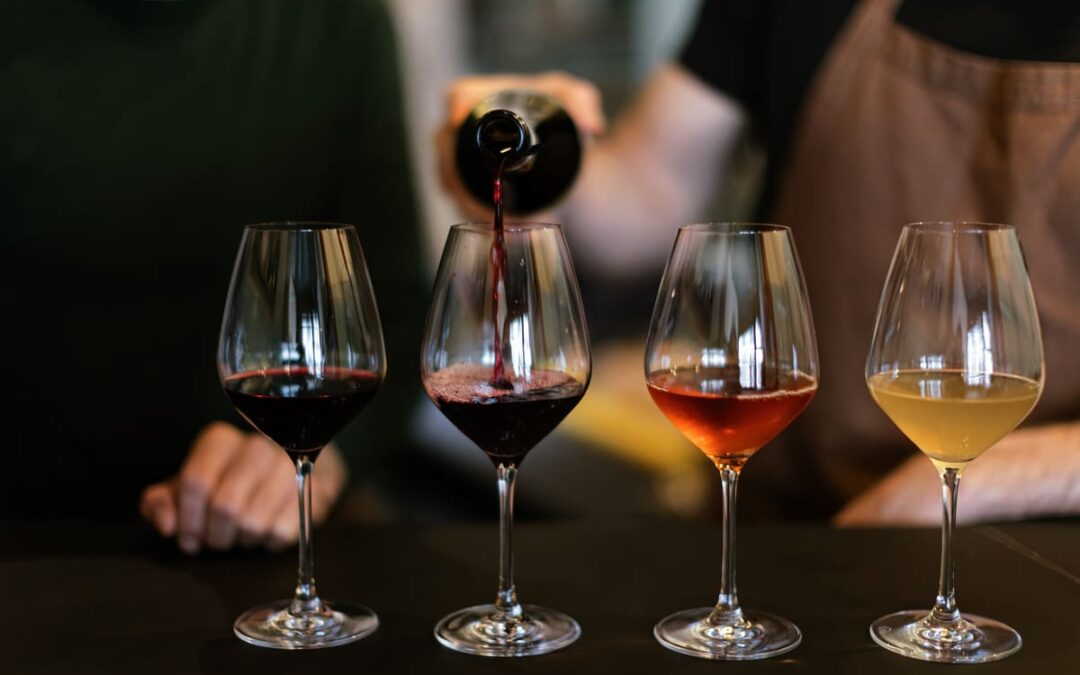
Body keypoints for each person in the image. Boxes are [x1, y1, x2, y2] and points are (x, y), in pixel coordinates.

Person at [435, 0, 1080, 524]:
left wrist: (984, 480)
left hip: (1041, 558)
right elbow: (647, 188)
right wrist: (535, 161)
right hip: (791, 531)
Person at [1, 0, 426, 552]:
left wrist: (325, 459)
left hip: (268, 525)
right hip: (25, 528)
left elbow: (394, 313)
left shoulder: (337, 21)